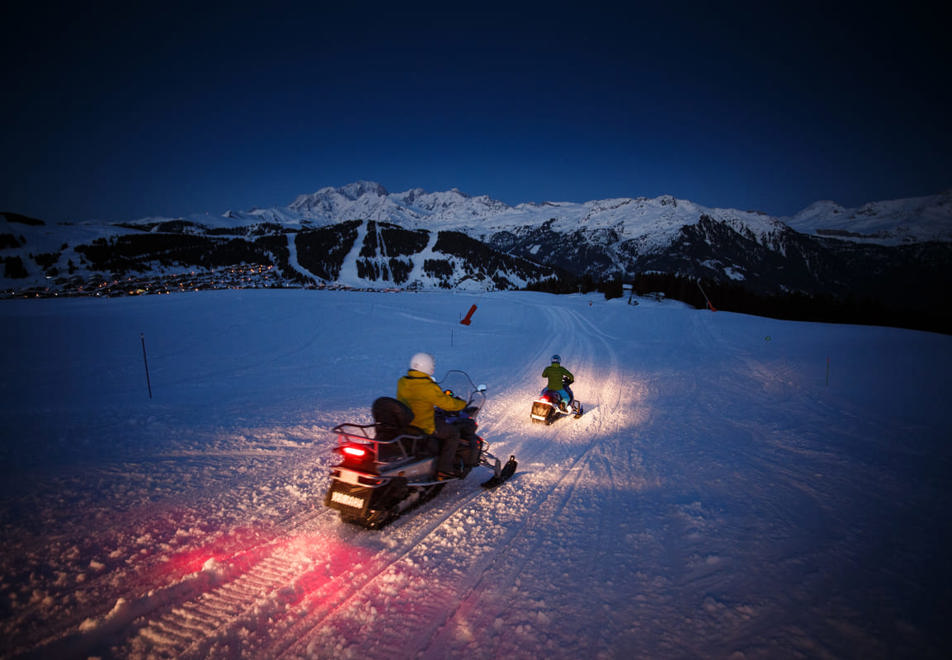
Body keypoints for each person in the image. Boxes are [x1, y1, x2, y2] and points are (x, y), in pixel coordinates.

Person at [397, 352, 468, 479]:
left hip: (406, 423)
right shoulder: (428, 387)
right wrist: (462, 404)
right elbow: (447, 404)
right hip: (424, 426)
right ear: (428, 367)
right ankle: (444, 468)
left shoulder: (402, 382)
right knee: (453, 434)